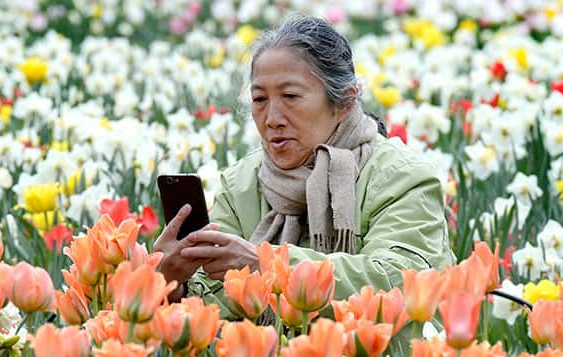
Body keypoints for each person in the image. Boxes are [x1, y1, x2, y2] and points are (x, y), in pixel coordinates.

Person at [154, 15, 454, 317]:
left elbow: (399, 282)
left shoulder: (403, 178)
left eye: (290, 96)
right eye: (259, 99)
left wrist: (267, 265)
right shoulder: (241, 184)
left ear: (344, 103)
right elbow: (216, 300)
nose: (272, 118)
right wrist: (173, 283)